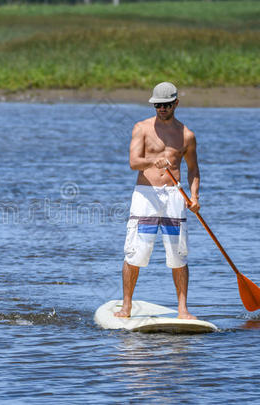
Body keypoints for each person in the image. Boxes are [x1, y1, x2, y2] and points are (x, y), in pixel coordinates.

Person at [114, 82, 200, 320]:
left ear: (176, 104)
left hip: (174, 195)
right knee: (136, 252)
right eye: (157, 105)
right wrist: (154, 162)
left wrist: (194, 197)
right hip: (146, 194)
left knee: (177, 254)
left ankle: (183, 309)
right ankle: (126, 307)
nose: (161, 108)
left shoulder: (187, 135)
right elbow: (133, 162)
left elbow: (194, 170)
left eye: (166, 105)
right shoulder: (141, 128)